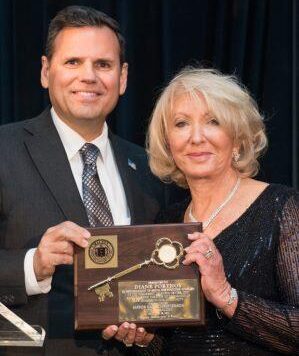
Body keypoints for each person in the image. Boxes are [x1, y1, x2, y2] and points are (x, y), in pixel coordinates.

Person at [0, 6, 182, 355]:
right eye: (73, 62)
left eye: (103, 65)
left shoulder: (150, 167)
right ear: (45, 71)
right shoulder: (5, 150)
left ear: (122, 77)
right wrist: (32, 265)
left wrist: (149, 331)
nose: (89, 76)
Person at [131, 67, 298, 355]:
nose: (196, 137)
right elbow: (175, 344)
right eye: (181, 123)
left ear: (237, 137)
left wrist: (226, 296)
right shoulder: (167, 221)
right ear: (169, 143)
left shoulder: (282, 208)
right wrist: (145, 340)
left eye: (213, 122)